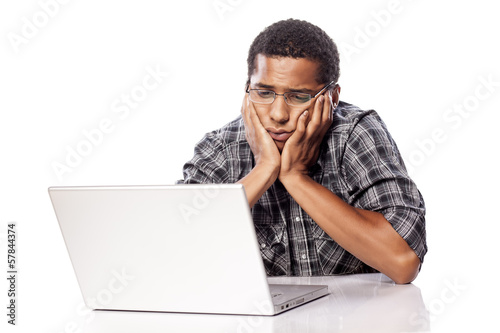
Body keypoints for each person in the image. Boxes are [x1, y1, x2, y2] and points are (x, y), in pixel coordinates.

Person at [177, 19, 427, 284]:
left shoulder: (355, 134)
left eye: (298, 97)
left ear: (332, 97)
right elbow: (170, 254)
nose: (278, 115)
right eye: (263, 92)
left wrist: (296, 177)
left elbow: (403, 262)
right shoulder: (221, 147)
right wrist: (264, 169)